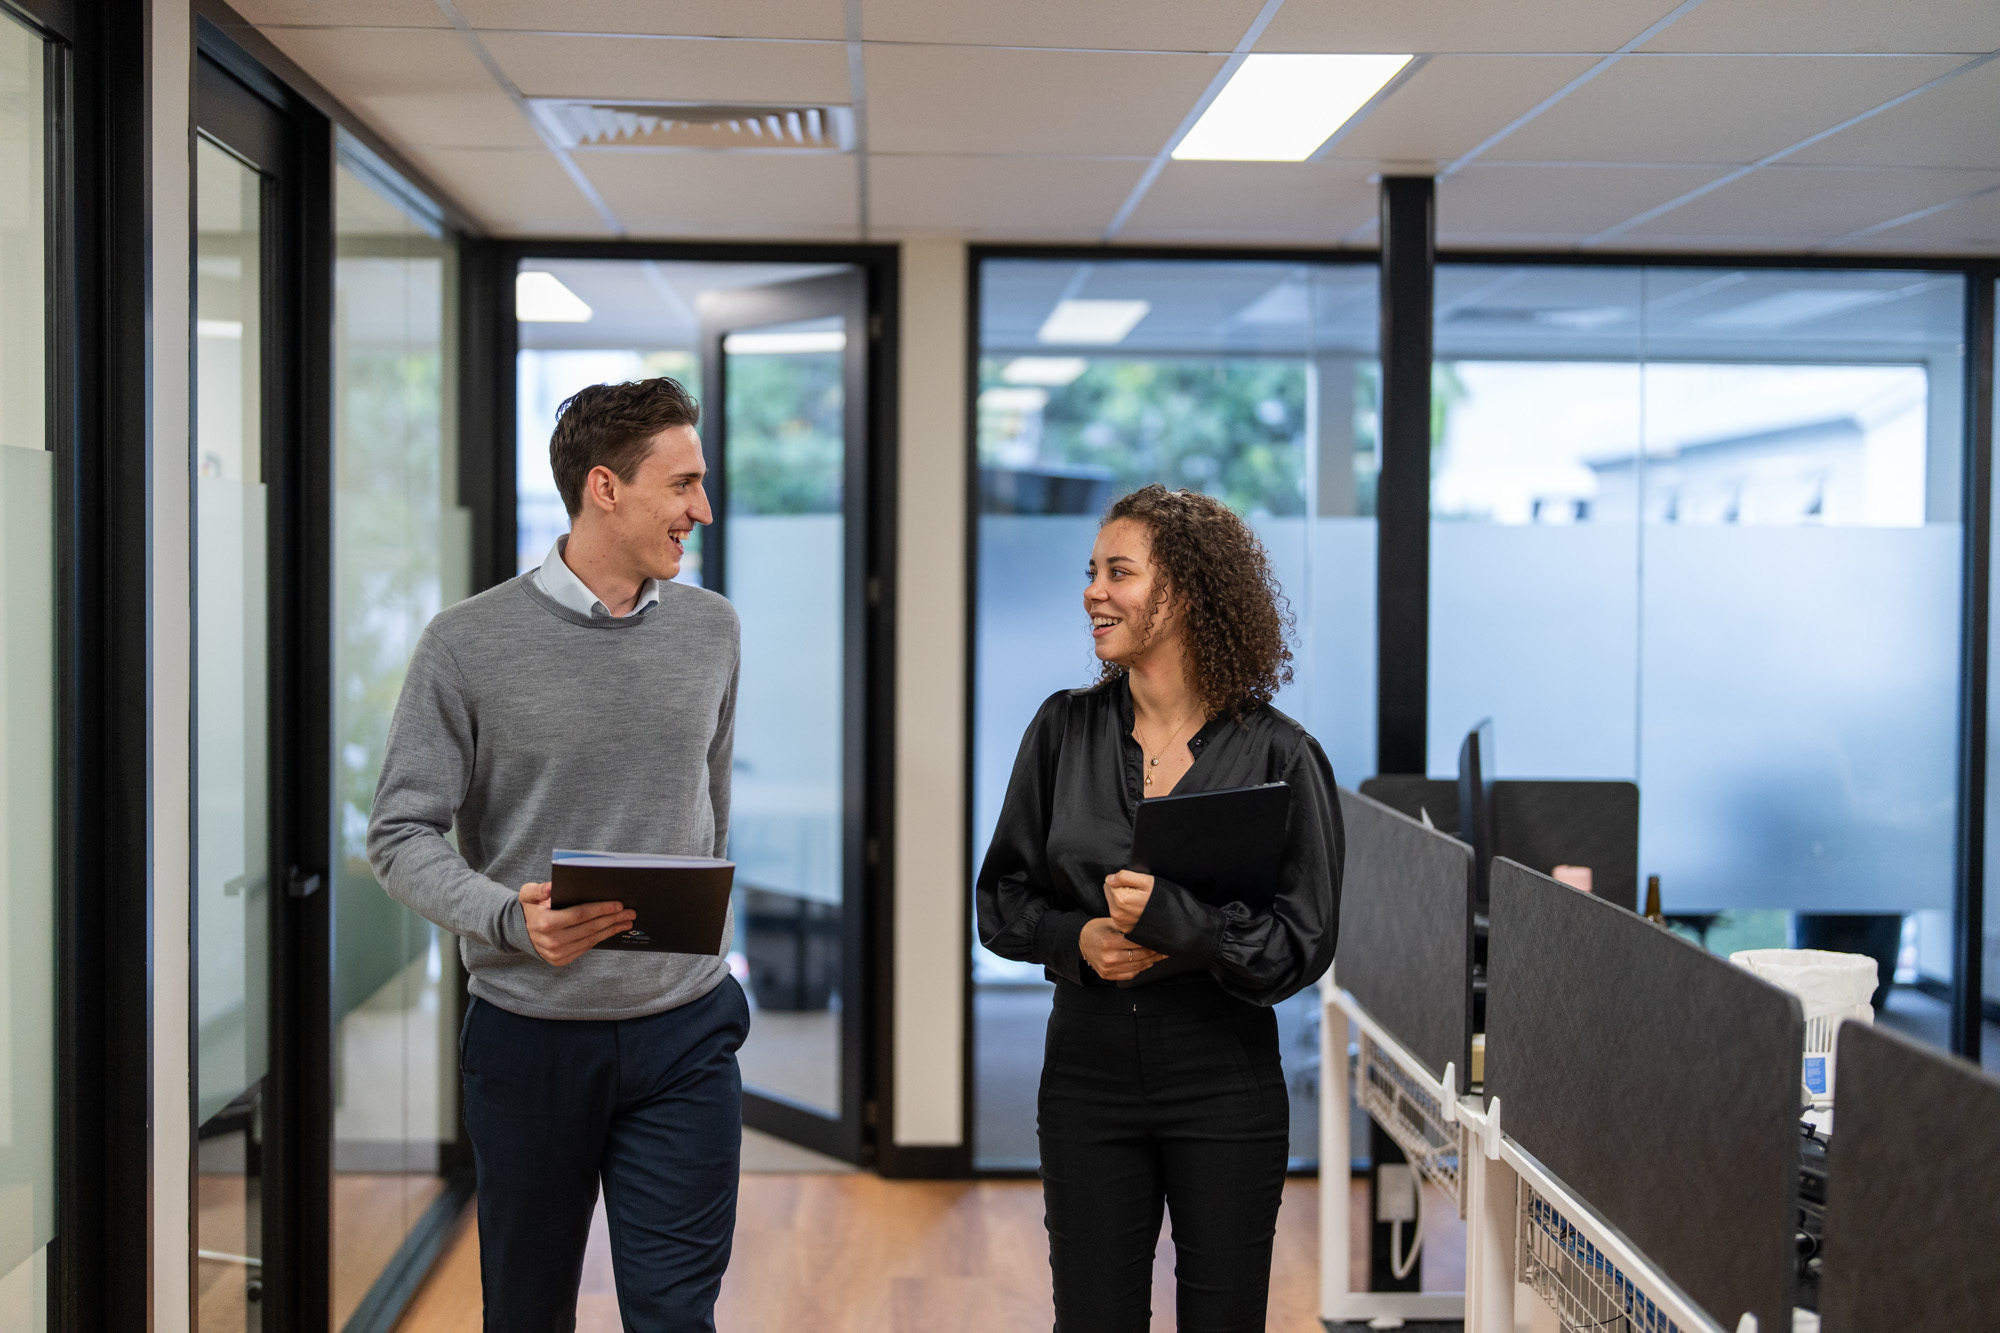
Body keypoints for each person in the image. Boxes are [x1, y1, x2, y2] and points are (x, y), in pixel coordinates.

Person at [368, 377, 745, 1333]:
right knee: (527, 1312)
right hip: (529, 1038)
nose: (703, 507)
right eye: (685, 483)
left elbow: (711, 809)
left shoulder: (713, 629)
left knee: (675, 1313)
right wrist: (507, 915)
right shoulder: (465, 644)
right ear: (605, 488)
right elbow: (399, 834)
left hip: (686, 1032)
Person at [976, 484, 1342, 1333]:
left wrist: (1194, 926)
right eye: (1091, 571)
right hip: (1086, 1076)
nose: (1092, 591)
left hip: (1226, 1081)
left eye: (1118, 572)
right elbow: (1001, 902)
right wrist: (1080, 939)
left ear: (1183, 592)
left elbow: (1304, 941)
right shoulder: (1063, 730)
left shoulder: (1283, 754)